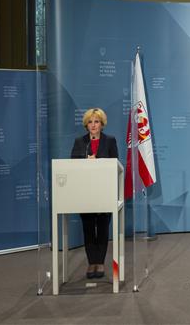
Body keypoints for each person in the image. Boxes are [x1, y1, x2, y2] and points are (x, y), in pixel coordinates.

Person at [70, 108, 119, 279]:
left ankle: (101, 262)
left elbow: (116, 166)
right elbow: (72, 166)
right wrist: (86, 162)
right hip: (85, 192)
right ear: (86, 125)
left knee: (103, 227)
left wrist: (99, 163)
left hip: (105, 191)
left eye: (96, 121)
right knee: (89, 227)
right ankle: (92, 263)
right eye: (90, 122)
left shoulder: (110, 141)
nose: (93, 125)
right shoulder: (80, 142)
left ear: (102, 124)